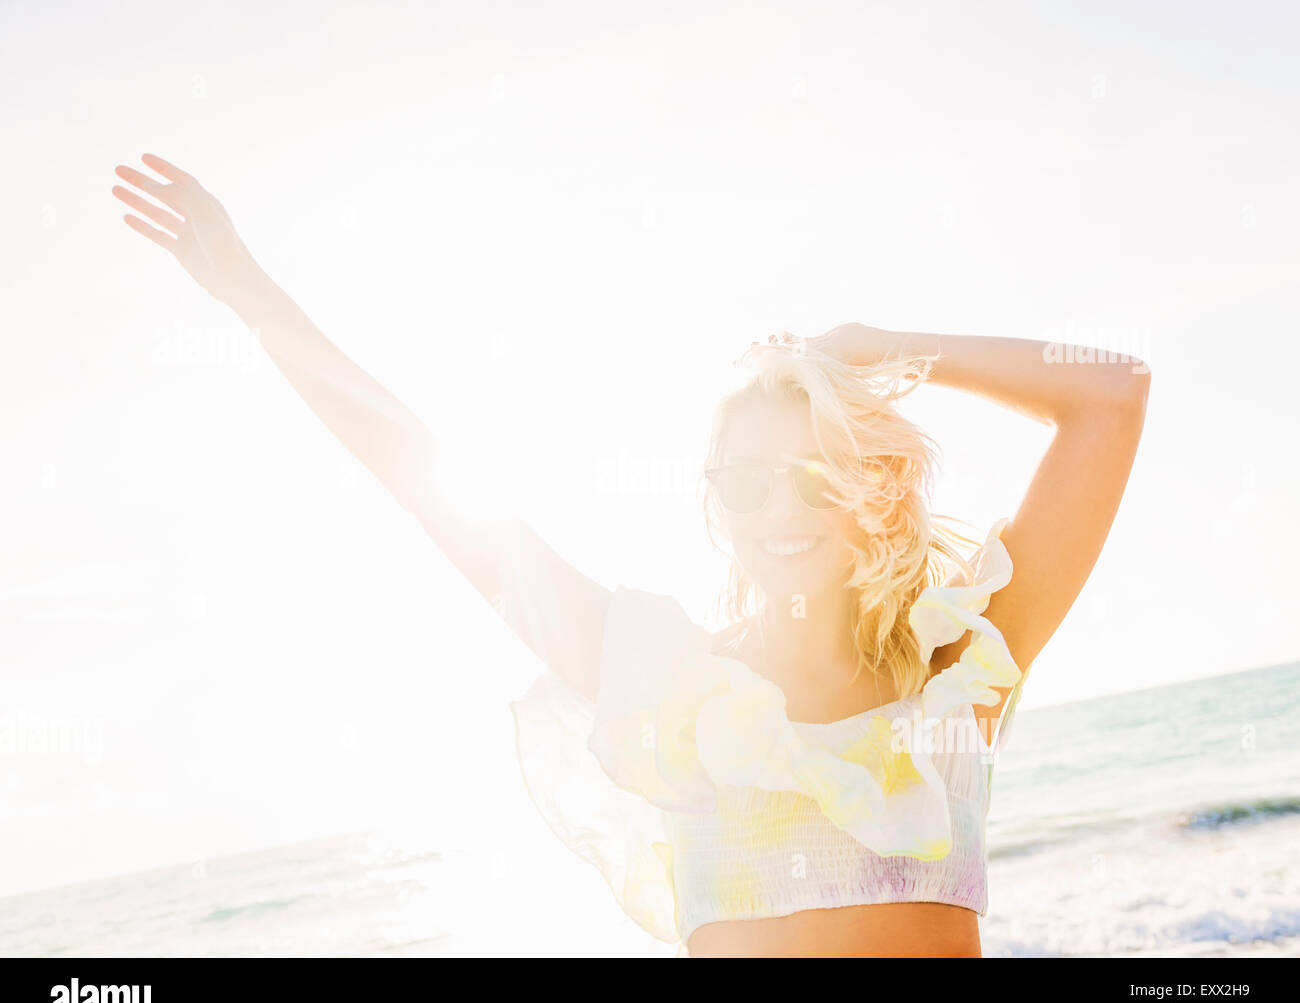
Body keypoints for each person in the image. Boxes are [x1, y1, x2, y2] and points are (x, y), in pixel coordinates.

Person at [112, 153, 1151, 957]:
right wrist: (252, 296)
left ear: (869, 486)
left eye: (816, 474)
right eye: (748, 480)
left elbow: (1112, 395)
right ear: (714, 502)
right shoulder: (663, 681)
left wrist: (896, 349)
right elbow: (415, 472)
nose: (781, 507)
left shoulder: (947, 674)